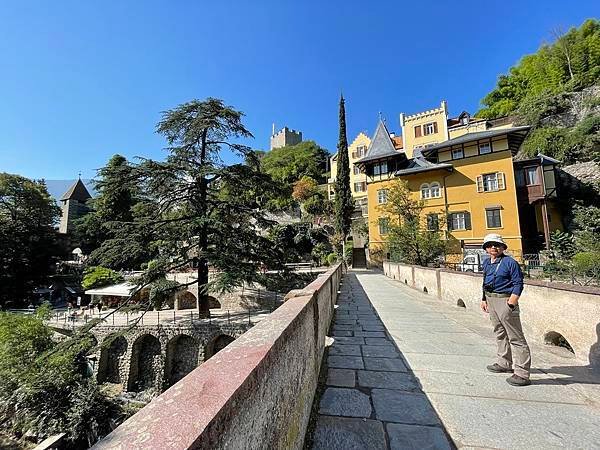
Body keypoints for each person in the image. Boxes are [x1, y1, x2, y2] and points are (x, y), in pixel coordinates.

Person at [480, 233, 531, 386]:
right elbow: (485, 280)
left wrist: (511, 304)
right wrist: (484, 298)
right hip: (491, 299)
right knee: (499, 332)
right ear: (486, 249)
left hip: (505, 299)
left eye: (497, 245)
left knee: (516, 337)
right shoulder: (487, 262)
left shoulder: (510, 262)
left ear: (502, 247)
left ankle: (522, 372)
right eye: (490, 245)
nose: (493, 247)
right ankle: (504, 363)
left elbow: (518, 284)